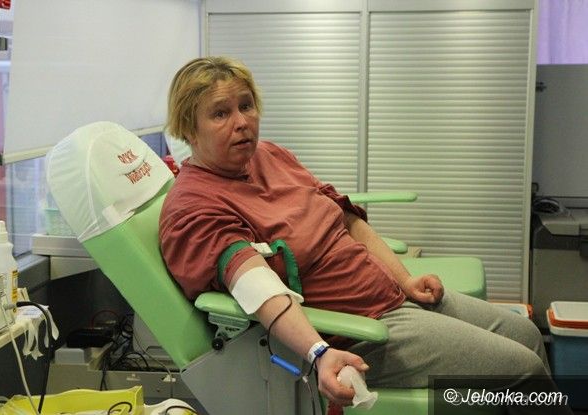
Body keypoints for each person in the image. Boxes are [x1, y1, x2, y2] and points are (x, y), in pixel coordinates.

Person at [159, 56, 571, 414]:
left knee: (526, 334)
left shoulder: (269, 155)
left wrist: (404, 278)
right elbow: (257, 285)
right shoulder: (195, 205)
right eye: (220, 114)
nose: (242, 122)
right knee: (523, 369)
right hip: (359, 332)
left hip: (390, 296)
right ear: (188, 129)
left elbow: (346, 220)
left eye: (246, 106)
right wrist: (319, 353)